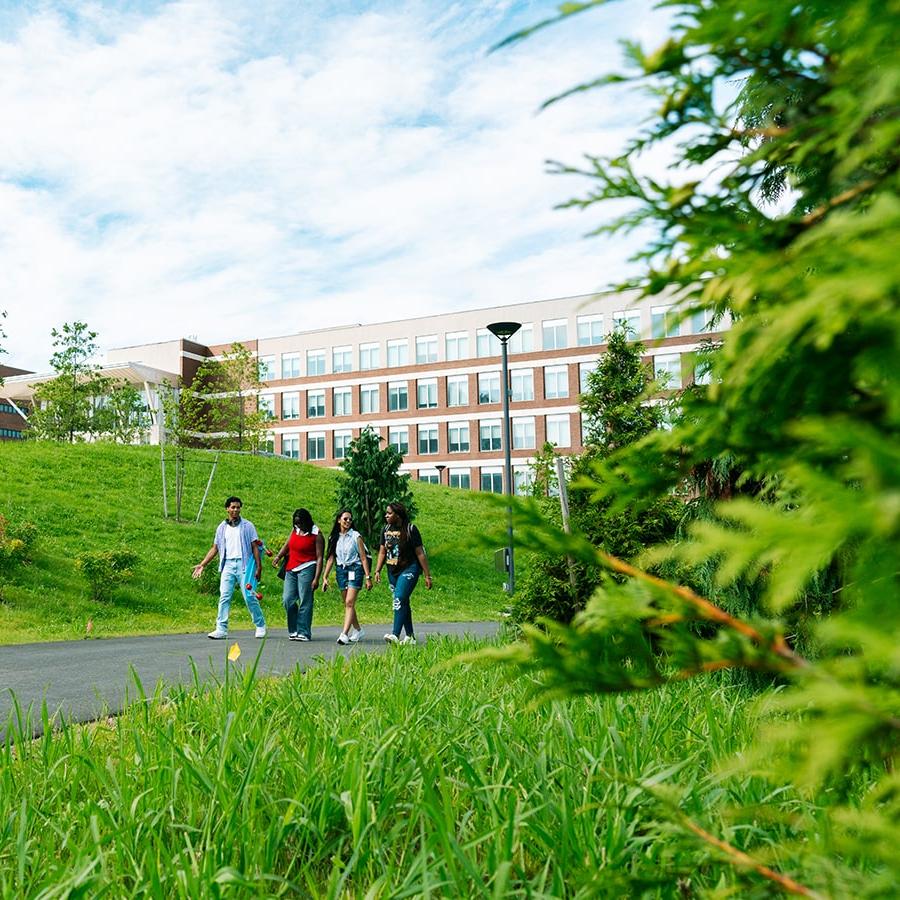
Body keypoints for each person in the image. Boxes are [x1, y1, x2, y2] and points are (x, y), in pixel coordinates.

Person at [193, 496, 267, 639]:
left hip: (244, 565)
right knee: (224, 596)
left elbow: (255, 546)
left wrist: (259, 567)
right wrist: (202, 564)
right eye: (232, 507)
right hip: (227, 565)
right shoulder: (222, 527)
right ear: (227, 509)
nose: (235, 510)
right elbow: (215, 548)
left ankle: (260, 624)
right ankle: (221, 628)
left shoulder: (247, 526)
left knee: (249, 596)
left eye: (238, 507)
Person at [373, 501, 432, 645]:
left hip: (409, 569)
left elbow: (420, 553)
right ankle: (410, 636)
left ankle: (395, 634)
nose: (386, 515)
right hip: (392, 570)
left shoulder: (411, 529)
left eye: (389, 513)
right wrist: (377, 570)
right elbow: (382, 551)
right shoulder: (385, 529)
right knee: (403, 601)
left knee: (398, 598)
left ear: (398, 515)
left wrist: (427, 575)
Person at [272, 508, 323, 641]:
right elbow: (288, 544)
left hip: (308, 567)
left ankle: (304, 632)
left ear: (307, 521)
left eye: (301, 523)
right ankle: (294, 629)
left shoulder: (316, 534)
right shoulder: (295, 529)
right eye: (296, 523)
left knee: (305, 599)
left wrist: (317, 578)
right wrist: (278, 556)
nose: (299, 526)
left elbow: (319, 557)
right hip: (291, 568)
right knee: (288, 599)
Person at [322, 509, 371, 644]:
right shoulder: (334, 537)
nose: (348, 521)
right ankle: (358, 630)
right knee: (347, 603)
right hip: (341, 571)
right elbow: (331, 558)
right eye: (345, 519)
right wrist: (324, 577)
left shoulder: (356, 536)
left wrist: (368, 576)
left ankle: (344, 634)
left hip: (355, 569)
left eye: (350, 519)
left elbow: (363, 557)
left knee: (349, 602)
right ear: (339, 520)